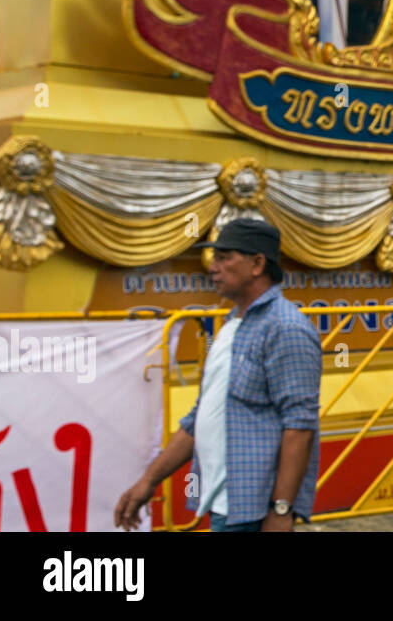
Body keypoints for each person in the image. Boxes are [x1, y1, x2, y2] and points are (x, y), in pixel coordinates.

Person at [114, 220, 321, 532]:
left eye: (224, 257)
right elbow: (201, 417)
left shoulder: (286, 328)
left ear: (257, 264)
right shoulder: (231, 326)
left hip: (253, 510)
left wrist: (281, 510)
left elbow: (300, 426)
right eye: (215, 257)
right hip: (224, 504)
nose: (213, 267)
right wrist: (148, 481)